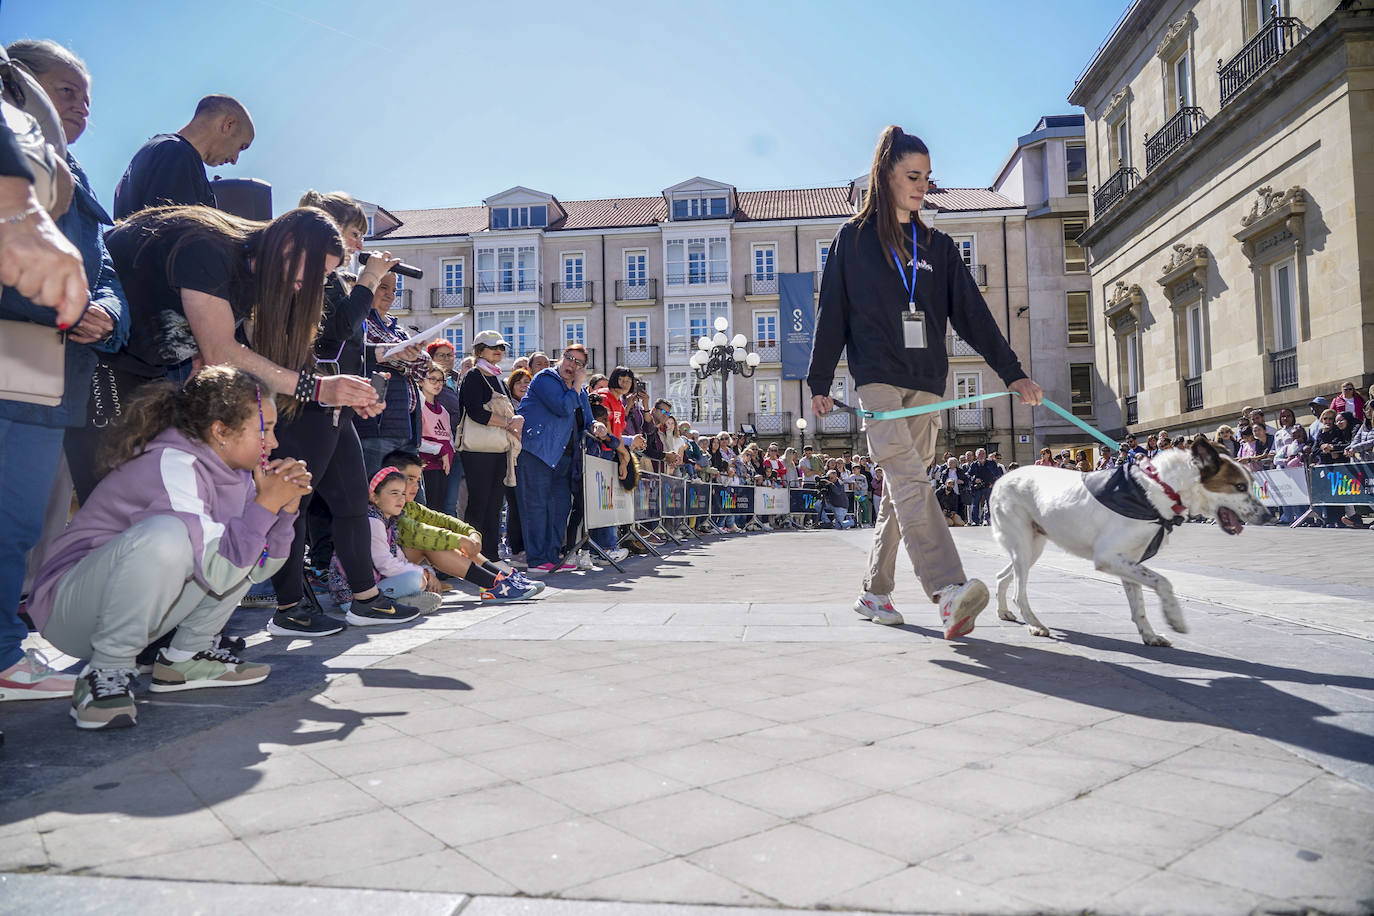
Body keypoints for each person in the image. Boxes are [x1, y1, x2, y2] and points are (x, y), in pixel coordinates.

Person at [808, 125, 1042, 637]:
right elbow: (831, 313)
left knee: (900, 491)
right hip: (877, 381)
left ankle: (873, 591)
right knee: (910, 480)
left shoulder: (937, 245)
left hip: (927, 379)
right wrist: (819, 380)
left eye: (927, 178)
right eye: (913, 176)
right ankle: (948, 589)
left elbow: (974, 315)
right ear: (885, 174)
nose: (921, 186)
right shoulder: (852, 239)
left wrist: (1013, 372)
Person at [28, 367, 306, 729]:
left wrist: (283, 513)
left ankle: (186, 658)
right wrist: (265, 507)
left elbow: (255, 568)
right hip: (69, 609)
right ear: (221, 430)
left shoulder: (239, 475)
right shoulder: (173, 465)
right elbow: (221, 564)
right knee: (171, 535)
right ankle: (106, 673)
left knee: (234, 544)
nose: (274, 444)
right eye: (264, 430)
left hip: (129, 611)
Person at [0, 42, 131, 706]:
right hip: (16, 352)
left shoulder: (71, 171)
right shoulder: (16, 163)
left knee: (27, 524)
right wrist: (61, 301)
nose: (80, 107)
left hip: (52, 371)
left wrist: (106, 312)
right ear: (17, 86)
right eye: (66, 90)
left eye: (87, 97)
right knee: (9, 519)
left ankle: (12, 648)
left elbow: (105, 271)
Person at [263, 191, 401, 637]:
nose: (360, 245)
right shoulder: (308, 278)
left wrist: (363, 389)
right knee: (294, 505)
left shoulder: (335, 281)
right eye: (354, 234)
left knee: (352, 504)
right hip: (302, 406)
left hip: (335, 408)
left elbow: (345, 348)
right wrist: (370, 279)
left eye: (363, 236)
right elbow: (331, 335)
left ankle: (365, 598)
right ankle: (288, 607)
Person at [379, 451, 543, 598]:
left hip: (398, 572)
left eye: (417, 480)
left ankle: (500, 578)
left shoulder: (410, 506)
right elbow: (419, 532)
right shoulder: (390, 511)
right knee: (433, 542)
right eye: (409, 479)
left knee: (442, 536)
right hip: (382, 580)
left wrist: (471, 533)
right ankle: (492, 584)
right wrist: (460, 540)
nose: (414, 486)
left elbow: (443, 519)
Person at [517, 344, 593, 575]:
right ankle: (537, 559)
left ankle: (552, 556)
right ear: (561, 358)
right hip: (538, 452)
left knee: (560, 507)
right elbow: (562, 407)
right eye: (569, 358)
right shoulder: (545, 378)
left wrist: (596, 425)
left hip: (564, 457)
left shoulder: (576, 390)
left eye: (579, 362)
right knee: (537, 506)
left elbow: (587, 418)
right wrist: (578, 385)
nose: (572, 365)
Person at [113, 95, 253, 219]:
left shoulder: (155, 150)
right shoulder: (176, 154)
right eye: (242, 147)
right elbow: (175, 239)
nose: (235, 160)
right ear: (228, 124)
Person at [355, 271, 429, 473]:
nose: (390, 294)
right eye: (383, 287)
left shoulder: (398, 330)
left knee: (410, 499)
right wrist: (405, 359)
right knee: (375, 494)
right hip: (376, 427)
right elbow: (373, 351)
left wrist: (399, 359)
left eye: (394, 290)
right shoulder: (359, 322)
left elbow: (425, 367)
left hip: (407, 427)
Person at [459, 331, 520, 559]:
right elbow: (475, 412)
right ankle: (470, 556)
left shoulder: (499, 378)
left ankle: (491, 557)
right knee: (478, 505)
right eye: (492, 346)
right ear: (479, 349)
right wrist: (509, 423)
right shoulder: (474, 375)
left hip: (496, 449)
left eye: (502, 347)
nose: (499, 350)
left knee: (494, 505)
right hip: (477, 451)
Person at [426, 339, 465, 516]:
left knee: (450, 503)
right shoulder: (426, 385)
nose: (447, 359)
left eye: (450, 355)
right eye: (441, 355)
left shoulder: (458, 380)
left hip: (454, 448)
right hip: (430, 454)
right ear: (431, 357)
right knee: (433, 504)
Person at [419, 366, 455, 510]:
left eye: (440, 380)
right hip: (425, 466)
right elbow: (417, 441)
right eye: (432, 379)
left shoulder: (444, 411)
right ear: (421, 381)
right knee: (429, 507)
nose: (437, 383)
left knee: (440, 508)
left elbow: (449, 438)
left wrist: (448, 452)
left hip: (442, 467)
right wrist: (440, 450)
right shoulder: (418, 406)